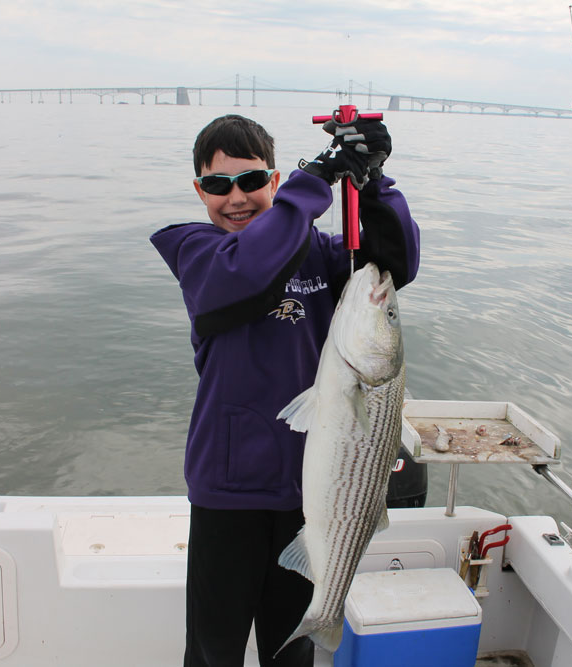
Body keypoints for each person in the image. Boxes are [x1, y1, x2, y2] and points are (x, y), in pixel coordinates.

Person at [150, 113, 420, 667]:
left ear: (272, 180)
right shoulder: (199, 255)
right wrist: (312, 184)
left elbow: (394, 263)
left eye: (252, 181)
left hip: (315, 495)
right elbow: (248, 273)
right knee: (212, 651)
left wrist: (372, 182)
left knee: (289, 654)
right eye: (219, 185)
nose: (237, 198)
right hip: (227, 494)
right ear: (199, 191)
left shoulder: (322, 255)